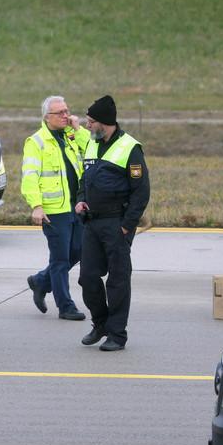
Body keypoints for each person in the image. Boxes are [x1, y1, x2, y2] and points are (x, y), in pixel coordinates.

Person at [75, 96, 150, 352]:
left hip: (116, 223)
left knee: (117, 281)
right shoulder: (93, 144)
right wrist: (80, 200)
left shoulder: (131, 148)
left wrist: (127, 226)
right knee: (87, 278)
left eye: (91, 121)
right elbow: (83, 179)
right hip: (92, 223)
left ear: (104, 123)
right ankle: (101, 324)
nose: (87, 125)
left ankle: (117, 334)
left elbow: (141, 192)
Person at [21, 96, 91, 321]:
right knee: (60, 259)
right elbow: (29, 176)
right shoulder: (36, 141)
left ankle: (41, 281)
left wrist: (78, 129)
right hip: (54, 210)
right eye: (59, 113)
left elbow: (93, 149)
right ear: (46, 117)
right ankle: (66, 306)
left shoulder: (71, 136)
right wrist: (37, 206)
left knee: (78, 251)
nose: (65, 116)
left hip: (76, 207)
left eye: (67, 111)